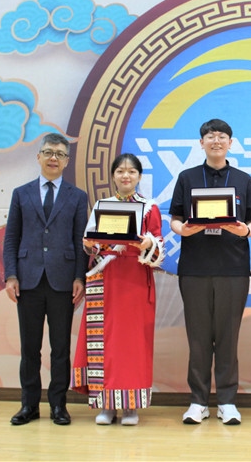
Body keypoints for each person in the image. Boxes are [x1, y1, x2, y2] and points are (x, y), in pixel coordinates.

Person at [169, 118, 251, 425]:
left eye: (222, 136)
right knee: (197, 338)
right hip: (194, 268)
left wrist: (243, 231)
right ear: (202, 143)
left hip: (233, 268)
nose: (216, 140)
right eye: (210, 136)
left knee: (227, 337)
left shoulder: (243, 179)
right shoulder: (187, 177)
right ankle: (198, 401)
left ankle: (227, 401)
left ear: (230, 143)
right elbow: (175, 218)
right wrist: (181, 230)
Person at [71, 153, 165, 426]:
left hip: (134, 279)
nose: (126, 176)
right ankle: (106, 405)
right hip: (105, 279)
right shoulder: (102, 206)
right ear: (113, 175)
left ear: (139, 176)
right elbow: (90, 244)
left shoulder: (150, 208)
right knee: (104, 342)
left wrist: (148, 244)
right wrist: (90, 245)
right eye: (121, 171)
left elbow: (159, 247)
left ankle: (131, 406)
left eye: (132, 171)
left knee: (133, 343)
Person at [3, 133, 89, 426]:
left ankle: (58, 405)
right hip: (27, 279)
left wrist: (79, 277)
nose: (54, 158)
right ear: (38, 156)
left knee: (60, 347)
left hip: (63, 281)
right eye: (49, 152)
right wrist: (11, 275)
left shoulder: (77, 196)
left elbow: (80, 240)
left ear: (67, 161)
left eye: (60, 154)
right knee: (30, 348)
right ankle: (28, 405)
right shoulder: (21, 193)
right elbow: (11, 237)